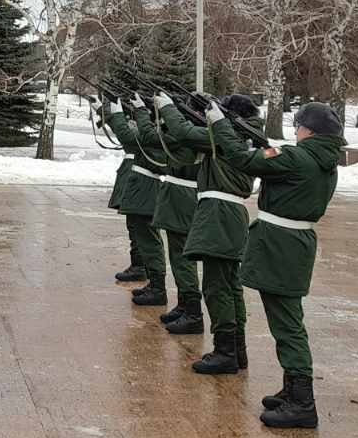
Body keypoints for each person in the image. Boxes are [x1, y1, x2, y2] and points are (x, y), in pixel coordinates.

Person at [208, 98, 345, 429]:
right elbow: (275, 161)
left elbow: (243, 159)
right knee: (287, 320)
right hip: (292, 245)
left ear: (307, 130)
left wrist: (218, 123)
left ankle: (302, 403)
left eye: (298, 126)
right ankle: (292, 390)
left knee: (287, 325)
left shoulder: (295, 157)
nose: (295, 131)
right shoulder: (322, 160)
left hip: (280, 246)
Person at [153, 91, 263, 372]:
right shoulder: (241, 138)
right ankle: (237, 349)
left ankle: (225, 352)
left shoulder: (228, 137)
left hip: (219, 213)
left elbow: (182, 132)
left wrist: (166, 106)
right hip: (230, 214)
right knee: (230, 285)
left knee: (216, 287)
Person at [133, 95, 205, 332]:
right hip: (179, 196)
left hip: (183, 198)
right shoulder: (191, 132)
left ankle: (193, 312)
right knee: (177, 255)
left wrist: (143, 112)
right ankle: (185, 305)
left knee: (182, 257)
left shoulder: (189, 134)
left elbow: (150, 137)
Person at [101, 97, 170, 308]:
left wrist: (117, 113)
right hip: (143, 188)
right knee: (142, 234)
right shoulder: (157, 133)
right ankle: (153, 282)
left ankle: (157, 286)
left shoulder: (159, 135)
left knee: (149, 239)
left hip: (147, 190)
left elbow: (129, 138)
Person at [97, 99, 145, 283]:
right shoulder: (142, 125)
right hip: (132, 173)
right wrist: (103, 110)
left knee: (137, 226)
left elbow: (126, 134)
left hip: (137, 176)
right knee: (134, 225)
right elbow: (123, 130)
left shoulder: (145, 127)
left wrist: (112, 113)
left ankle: (140, 267)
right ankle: (139, 265)